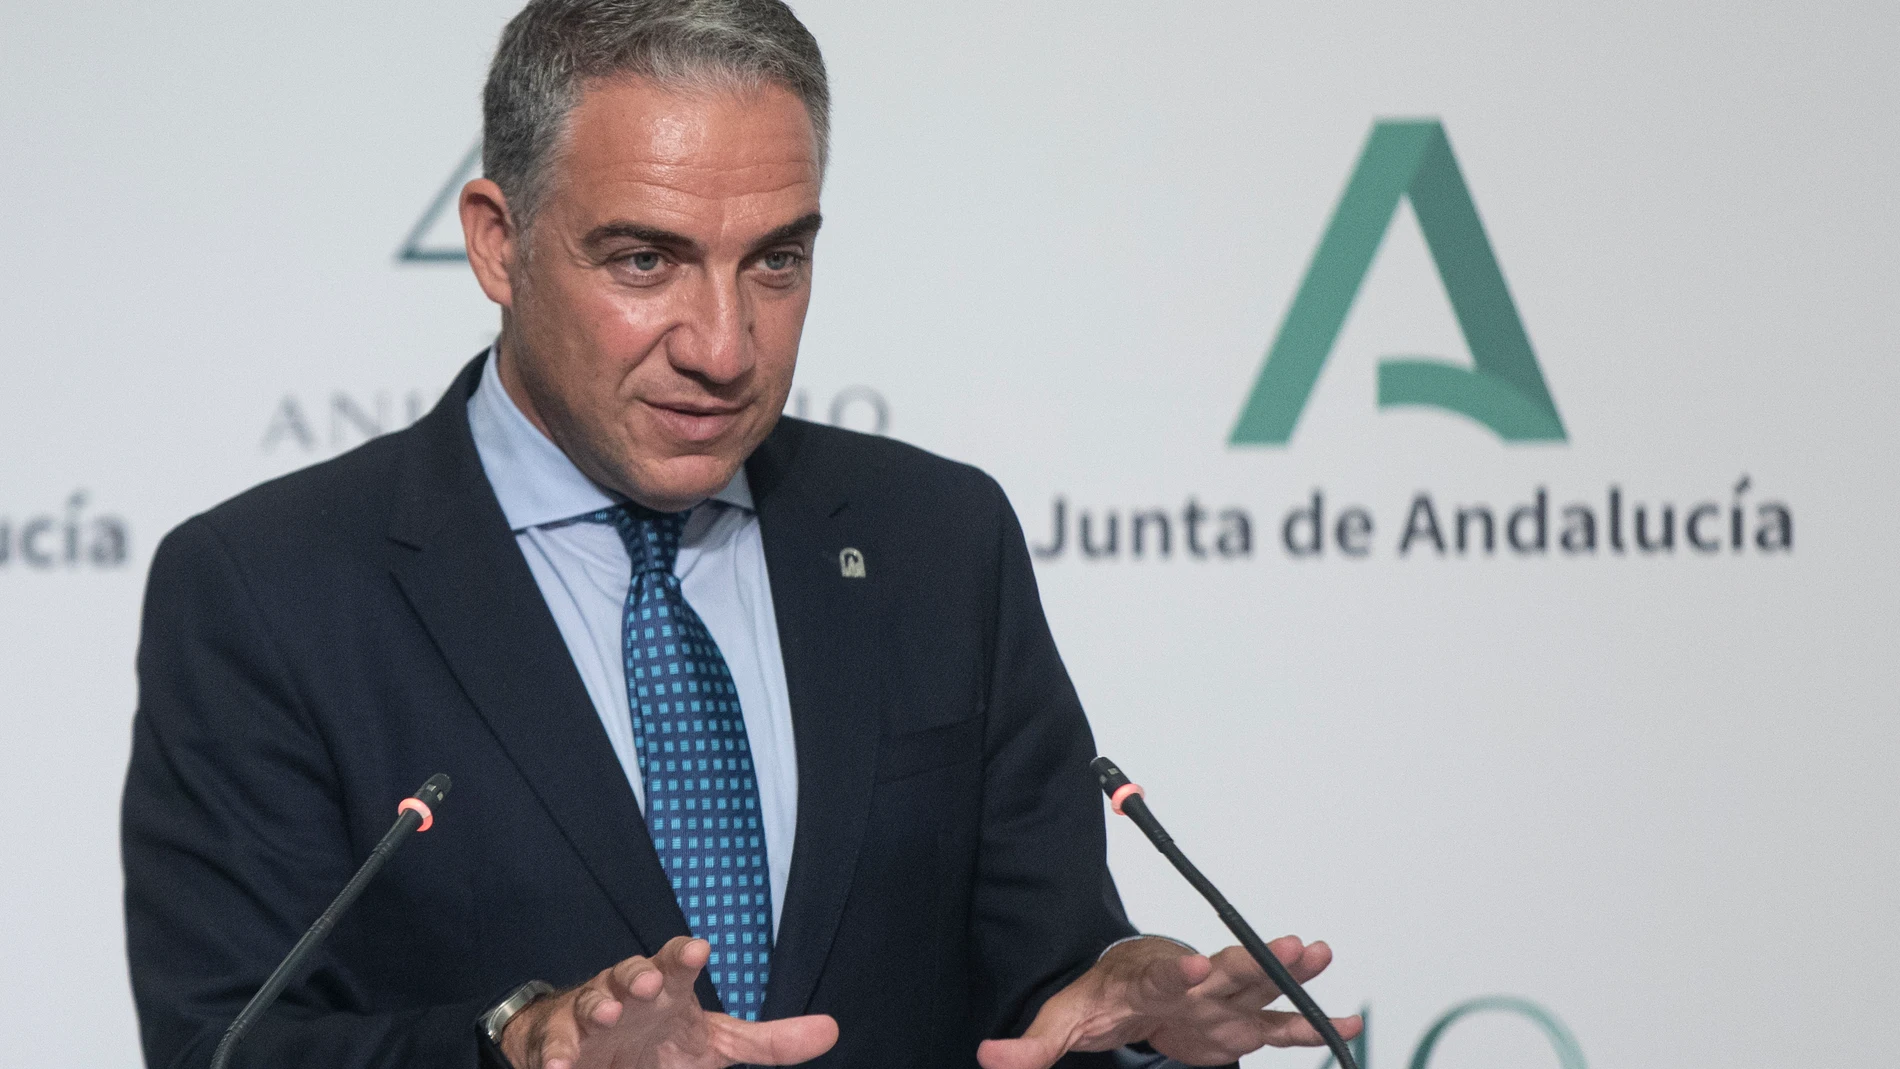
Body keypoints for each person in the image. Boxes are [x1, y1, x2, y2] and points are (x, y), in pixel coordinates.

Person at [121, 2, 1363, 1067]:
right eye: (645, 261)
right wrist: (519, 1040)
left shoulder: (939, 540)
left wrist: (1124, 1007)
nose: (724, 347)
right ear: (499, 242)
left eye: (775, 261)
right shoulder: (267, 587)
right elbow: (226, 1046)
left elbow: (1041, 987)